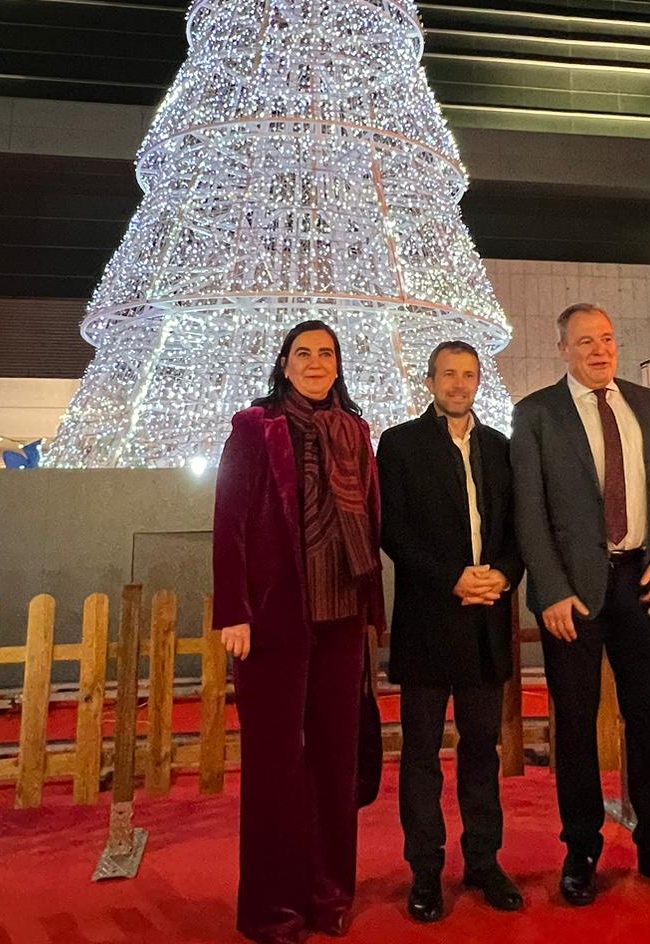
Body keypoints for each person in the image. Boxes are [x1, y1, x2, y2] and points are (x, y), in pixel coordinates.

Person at [511, 303, 650, 906]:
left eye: (607, 339)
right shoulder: (537, 414)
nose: (599, 351)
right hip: (571, 597)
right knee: (574, 726)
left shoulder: (646, 405)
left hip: (641, 585)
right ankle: (580, 848)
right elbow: (529, 512)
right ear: (562, 350)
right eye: (584, 343)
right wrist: (549, 590)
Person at [212, 320, 386, 944]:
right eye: (304, 353)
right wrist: (232, 609)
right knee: (276, 766)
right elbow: (229, 519)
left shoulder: (357, 432)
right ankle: (273, 910)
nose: (316, 362)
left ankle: (329, 894)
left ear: (339, 365)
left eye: (327, 353)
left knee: (336, 764)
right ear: (284, 364)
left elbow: (369, 517)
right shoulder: (255, 429)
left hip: (342, 616)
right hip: (274, 619)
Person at [378, 340, 524, 923]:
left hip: (488, 620)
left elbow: (516, 529)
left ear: (479, 380)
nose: (458, 384)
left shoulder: (499, 447)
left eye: (468, 375)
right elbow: (393, 530)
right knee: (420, 755)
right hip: (428, 623)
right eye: (448, 374)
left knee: (482, 752)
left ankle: (485, 863)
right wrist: (454, 580)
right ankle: (425, 870)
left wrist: (503, 577)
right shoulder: (400, 443)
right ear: (430, 380)